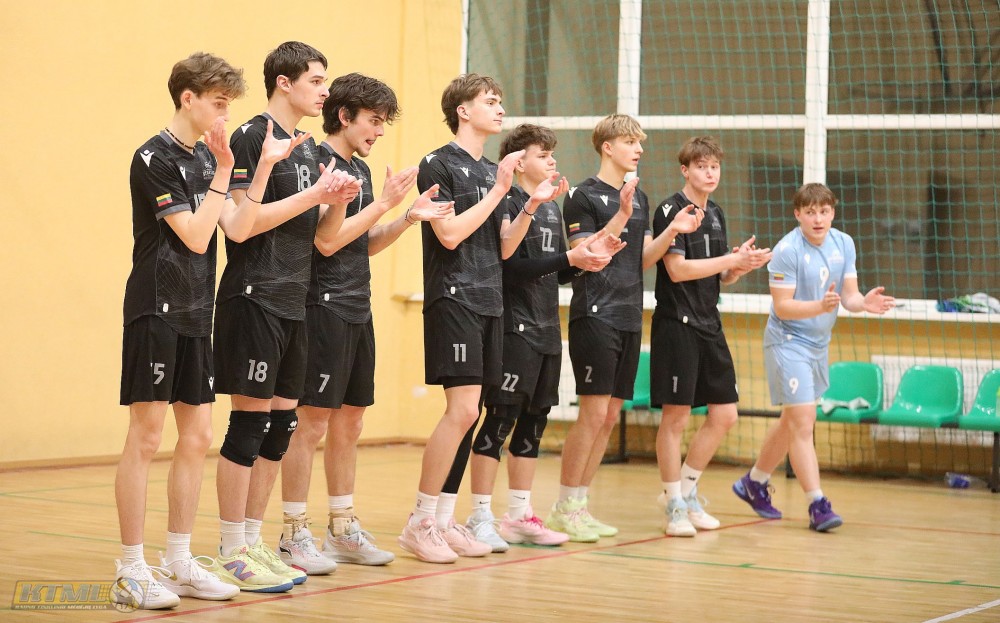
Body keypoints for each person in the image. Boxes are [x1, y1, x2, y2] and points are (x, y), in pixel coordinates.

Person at [278, 73, 451, 572]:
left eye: (383, 123)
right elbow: (326, 242)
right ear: (344, 116)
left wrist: (407, 218)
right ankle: (293, 532)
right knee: (311, 422)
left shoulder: (361, 169)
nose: (378, 131)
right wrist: (384, 204)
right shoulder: (316, 163)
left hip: (357, 305)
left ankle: (342, 527)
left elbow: (362, 243)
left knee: (351, 420)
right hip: (321, 305)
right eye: (373, 121)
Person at [211, 41, 362, 592]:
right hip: (254, 296)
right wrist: (314, 194)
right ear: (284, 82)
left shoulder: (307, 150)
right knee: (249, 425)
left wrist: (337, 200)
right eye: (316, 81)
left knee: (280, 429)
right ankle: (231, 548)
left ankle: (254, 541)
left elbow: (322, 236)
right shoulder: (252, 136)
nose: (325, 91)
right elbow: (241, 225)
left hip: (296, 300)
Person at [116, 52, 260, 609]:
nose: (225, 115)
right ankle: (131, 567)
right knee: (147, 437)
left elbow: (237, 228)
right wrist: (224, 171)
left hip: (199, 312)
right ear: (188, 98)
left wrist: (259, 169)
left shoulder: (205, 158)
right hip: (156, 308)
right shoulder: (152, 157)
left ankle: (178, 560)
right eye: (219, 104)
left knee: (198, 438)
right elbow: (197, 237)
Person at [398, 73, 546, 563]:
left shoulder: (489, 170)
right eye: (491, 101)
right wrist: (500, 189)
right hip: (455, 296)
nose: (500, 109)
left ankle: (443, 519)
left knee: (473, 412)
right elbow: (449, 235)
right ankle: (420, 521)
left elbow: (503, 247)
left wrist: (528, 206)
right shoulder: (438, 162)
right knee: (461, 411)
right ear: (463, 110)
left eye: (501, 101)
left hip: (490, 299)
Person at [463, 124, 622, 550]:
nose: (552, 161)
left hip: (547, 328)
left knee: (534, 423)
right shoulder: (509, 202)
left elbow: (556, 270)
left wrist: (585, 261)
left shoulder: (552, 208)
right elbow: (510, 267)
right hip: (515, 329)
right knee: (499, 421)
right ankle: (480, 516)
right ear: (518, 163)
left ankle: (519, 516)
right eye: (542, 155)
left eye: (552, 154)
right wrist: (569, 257)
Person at [546, 115, 704, 541]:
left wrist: (672, 231)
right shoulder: (582, 195)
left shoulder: (638, 196)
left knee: (611, 416)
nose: (638, 149)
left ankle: (579, 505)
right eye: (631, 142)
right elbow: (585, 252)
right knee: (593, 413)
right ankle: (564, 506)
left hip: (630, 316)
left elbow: (641, 259)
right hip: (595, 314)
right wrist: (620, 215)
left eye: (640, 143)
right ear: (607, 147)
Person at [732, 183, 894, 532]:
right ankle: (817, 504)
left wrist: (863, 304)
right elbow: (782, 307)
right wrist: (820, 306)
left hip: (819, 345)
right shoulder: (787, 250)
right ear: (798, 214)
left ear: (832, 212)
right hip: (788, 342)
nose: (818, 219)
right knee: (804, 422)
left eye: (824, 211)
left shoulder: (844, 243)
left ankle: (754, 482)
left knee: (792, 421)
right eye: (810, 212)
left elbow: (849, 296)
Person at [650, 136, 772, 537]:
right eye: (701, 166)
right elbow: (677, 270)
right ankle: (673, 504)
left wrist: (739, 267)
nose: (709, 173)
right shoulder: (670, 211)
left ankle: (686, 493)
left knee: (725, 414)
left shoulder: (716, 213)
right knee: (676, 417)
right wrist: (729, 259)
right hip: (677, 325)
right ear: (685, 171)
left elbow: (719, 275)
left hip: (709, 323)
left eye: (714, 166)